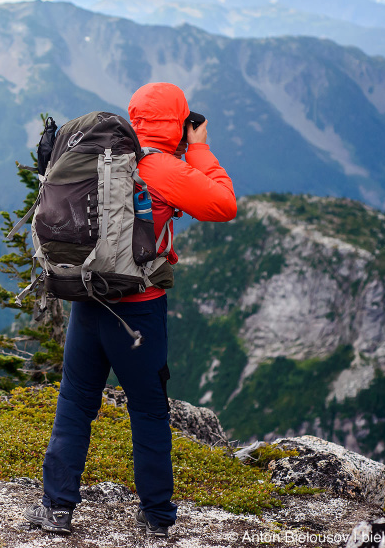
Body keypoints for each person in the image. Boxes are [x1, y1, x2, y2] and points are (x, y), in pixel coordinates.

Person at [24, 82, 237, 537]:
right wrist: (200, 150)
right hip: (139, 312)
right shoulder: (158, 166)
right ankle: (157, 516)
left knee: (76, 403)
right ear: (179, 124)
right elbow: (222, 204)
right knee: (148, 411)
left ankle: (56, 509)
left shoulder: (111, 160)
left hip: (89, 299)